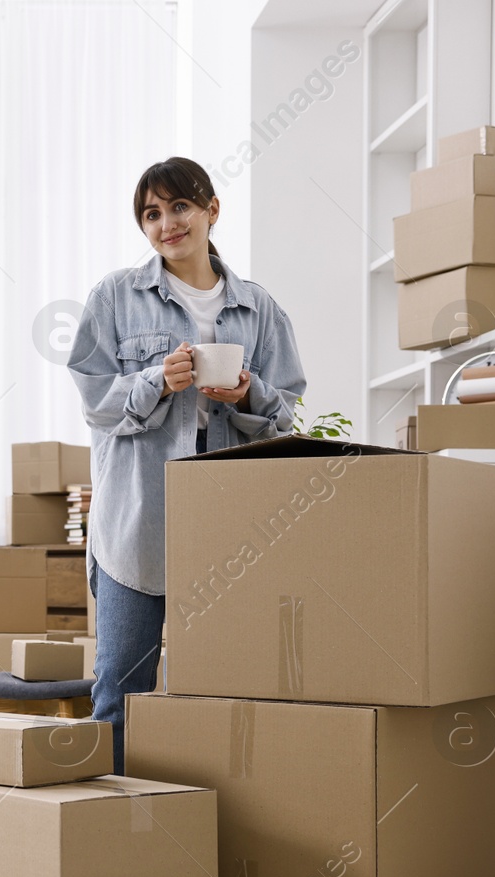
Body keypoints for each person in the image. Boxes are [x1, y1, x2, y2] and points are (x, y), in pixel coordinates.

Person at [66, 156, 306, 773]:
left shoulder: (260, 309)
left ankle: (208, 829)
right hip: (137, 522)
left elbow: (286, 415)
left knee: (228, 692)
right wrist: (155, 381)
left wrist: (249, 393)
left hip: (229, 524)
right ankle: (117, 838)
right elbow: (96, 403)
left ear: (210, 211)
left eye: (179, 207)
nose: (167, 224)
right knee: (120, 691)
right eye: (152, 214)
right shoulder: (115, 297)